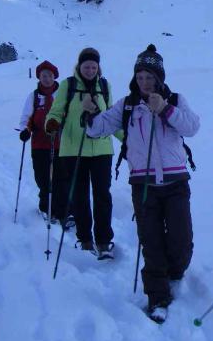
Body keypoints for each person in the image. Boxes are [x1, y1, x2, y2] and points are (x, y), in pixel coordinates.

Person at [83, 44, 200, 323]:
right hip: (143, 184)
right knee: (151, 241)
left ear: (160, 78)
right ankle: (157, 297)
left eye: (150, 77)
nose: (145, 82)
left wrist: (166, 110)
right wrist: (88, 113)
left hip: (175, 182)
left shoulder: (176, 99)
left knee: (181, 241)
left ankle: (175, 272)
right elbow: (97, 129)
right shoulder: (126, 105)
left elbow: (192, 127)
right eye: (140, 77)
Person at [45, 48, 119, 258]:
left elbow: (112, 116)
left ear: (98, 67)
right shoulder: (68, 86)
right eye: (86, 66)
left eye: (93, 66)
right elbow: (56, 112)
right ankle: (85, 239)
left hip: (102, 150)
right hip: (72, 150)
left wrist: (128, 140)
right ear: (79, 66)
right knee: (80, 196)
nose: (90, 70)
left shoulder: (105, 86)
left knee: (103, 196)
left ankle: (104, 240)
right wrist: (51, 123)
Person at [18, 60, 67, 224]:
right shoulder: (33, 96)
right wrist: (25, 130)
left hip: (61, 143)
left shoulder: (62, 94)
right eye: (43, 75)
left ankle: (62, 210)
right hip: (39, 144)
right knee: (43, 177)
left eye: (50, 75)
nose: (47, 78)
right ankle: (46, 207)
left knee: (61, 177)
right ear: (39, 77)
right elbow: (26, 117)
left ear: (54, 77)